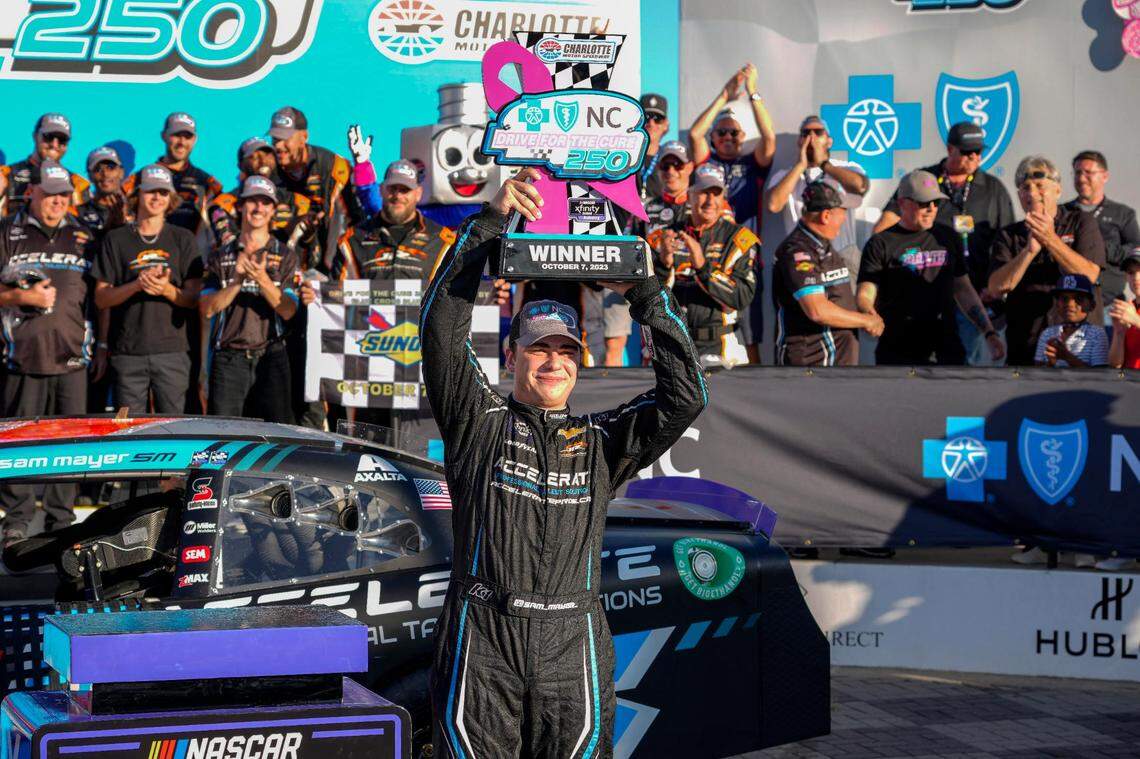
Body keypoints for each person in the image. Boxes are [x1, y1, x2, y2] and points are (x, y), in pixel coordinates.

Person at [421, 166, 706, 758]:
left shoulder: (603, 439)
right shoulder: (479, 419)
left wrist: (646, 292)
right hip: (484, 632)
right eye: (539, 348)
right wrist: (491, 223)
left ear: (580, 361)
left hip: (572, 638)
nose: (553, 362)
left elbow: (687, 397)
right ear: (512, 355)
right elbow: (441, 330)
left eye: (566, 351)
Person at [0, 162, 97, 545]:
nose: (56, 201)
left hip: (72, 358)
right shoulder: (8, 231)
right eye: (49, 193)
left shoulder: (85, 235)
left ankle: (62, 520)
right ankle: (17, 518)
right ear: (33, 193)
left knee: (72, 447)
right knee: (18, 443)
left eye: (63, 195)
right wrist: (20, 297)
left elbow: (100, 296)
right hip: (19, 356)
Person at [876, 122, 1016, 365]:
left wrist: (993, 287)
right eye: (967, 151)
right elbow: (882, 230)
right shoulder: (925, 181)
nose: (974, 157)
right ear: (950, 149)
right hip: (924, 297)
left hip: (973, 294)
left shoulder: (993, 188)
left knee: (961, 370)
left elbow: (1006, 243)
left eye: (978, 151)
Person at [856, 171, 1004, 365]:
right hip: (898, 351)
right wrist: (869, 314)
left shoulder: (947, 237)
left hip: (946, 349)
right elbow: (865, 293)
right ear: (902, 203)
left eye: (936, 203)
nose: (931, 209)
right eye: (923, 203)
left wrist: (989, 332)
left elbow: (963, 288)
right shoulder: (880, 243)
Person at [93, 164, 203, 413]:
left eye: (163, 193)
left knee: (174, 430)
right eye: (150, 191)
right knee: (131, 432)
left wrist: (166, 290)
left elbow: (193, 298)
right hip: (128, 353)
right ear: (137, 196)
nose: (157, 198)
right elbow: (101, 298)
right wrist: (136, 285)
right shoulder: (116, 239)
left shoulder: (183, 238)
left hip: (172, 351)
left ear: (171, 199)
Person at [988, 156, 1105, 366]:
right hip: (1026, 347)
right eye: (1025, 187)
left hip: (1079, 348)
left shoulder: (1081, 222)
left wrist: (1050, 239)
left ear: (1058, 190)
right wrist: (1029, 252)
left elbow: (1089, 275)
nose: (1032, 193)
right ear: (1019, 195)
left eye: (1040, 186)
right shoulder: (1008, 235)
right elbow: (996, 287)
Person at [200, 176, 299, 423]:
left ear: (274, 210)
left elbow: (289, 311)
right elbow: (206, 308)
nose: (258, 209)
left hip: (272, 355)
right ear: (241, 206)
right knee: (224, 437)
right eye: (252, 201)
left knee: (276, 437)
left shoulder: (285, 255)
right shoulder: (220, 255)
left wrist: (262, 279)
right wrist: (237, 281)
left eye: (265, 203)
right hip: (228, 358)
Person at [648, 163, 757, 365]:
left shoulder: (739, 239)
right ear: (689, 195)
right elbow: (648, 300)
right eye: (703, 193)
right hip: (673, 344)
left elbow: (742, 297)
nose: (710, 201)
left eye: (715, 194)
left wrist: (702, 267)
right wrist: (663, 265)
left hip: (722, 347)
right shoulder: (664, 236)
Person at [773, 180, 884, 366]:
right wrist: (865, 321)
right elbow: (817, 310)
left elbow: (837, 296)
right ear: (826, 216)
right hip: (811, 366)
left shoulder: (822, 245)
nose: (845, 218)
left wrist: (864, 308)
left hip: (835, 364)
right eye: (843, 212)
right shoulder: (798, 251)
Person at [326, 160, 453, 284]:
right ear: (381, 189)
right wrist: (315, 295)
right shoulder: (353, 239)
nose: (397, 196)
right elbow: (335, 294)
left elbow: (456, 294)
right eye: (392, 189)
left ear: (418, 194)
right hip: (364, 306)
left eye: (405, 190)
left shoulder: (442, 241)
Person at [766, 115, 868, 269]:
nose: (811, 137)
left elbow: (860, 187)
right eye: (805, 133)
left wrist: (823, 164)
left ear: (829, 141)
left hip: (841, 255)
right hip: (803, 259)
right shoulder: (785, 175)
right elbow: (773, 205)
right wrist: (800, 166)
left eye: (818, 132)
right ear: (799, 141)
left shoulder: (847, 168)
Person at [268, 106, 361, 271]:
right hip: (285, 265)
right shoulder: (268, 172)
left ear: (304, 137)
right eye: (275, 139)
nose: (279, 146)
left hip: (330, 264)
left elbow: (353, 219)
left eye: (285, 138)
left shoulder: (332, 166)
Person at [208, 137, 318, 256]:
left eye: (268, 155)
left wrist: (308, 238)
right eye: (253, 157)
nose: (263, 161)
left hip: (294, 272)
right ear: (240, 166)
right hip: (244, 271)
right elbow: (230, 250)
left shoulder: (298, 201)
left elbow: (313, 260)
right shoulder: (224, 204)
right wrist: (285, 234)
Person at [122, 113, 221, 241]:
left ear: (195, 139)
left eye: (187, 137)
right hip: (147, 254)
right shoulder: (140, 178)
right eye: (176, 135)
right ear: (164, 136)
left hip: (190, 256)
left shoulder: (206, 182)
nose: (182, 142)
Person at [1062, 151, 1140, 306]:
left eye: (1088, 172)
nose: (1082, 178)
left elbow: (1136, 250)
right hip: (1068, 305)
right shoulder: (1064, 213)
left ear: (1105, 176)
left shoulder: (1122, 214)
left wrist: (1099, 249)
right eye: (1077, 173)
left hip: (1108, 304)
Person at [0, 114, 88, 217]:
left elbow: (81, 228)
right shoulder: (5, 175)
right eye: (48, 137)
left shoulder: (78, 184)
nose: (54, 144)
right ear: (35, 136)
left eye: (62, 139)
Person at [1033, 274, 1108, 367]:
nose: (1070, 304)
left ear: (1092, 305)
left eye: (1079, 299)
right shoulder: (1047, 334)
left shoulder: (1097, 334)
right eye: (1064, 299)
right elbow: (1037, 373)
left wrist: (1067, 357)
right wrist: (1051, 363)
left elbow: (1100, 376)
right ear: (1057, 304)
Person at [76, 147, 130, 239]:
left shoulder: (137, 211)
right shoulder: (78, 213)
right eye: (97, 169)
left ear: (121, 172)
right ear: (90, 176)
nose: (105, 174)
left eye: (111, 168)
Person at [1109, 247, 1140, 369]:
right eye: (1131, 272)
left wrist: (1136, 320)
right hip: (1129, 382)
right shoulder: (1127, 309)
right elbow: (1115, 364)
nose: (1136, 277)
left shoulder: (1130, 314)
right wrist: (1119, 334)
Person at [637, 93, 671, 200]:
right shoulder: (622, 157)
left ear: (666, 125)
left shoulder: (672, 161)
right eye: (646, 117)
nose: (651, 123)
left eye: (658, 119)